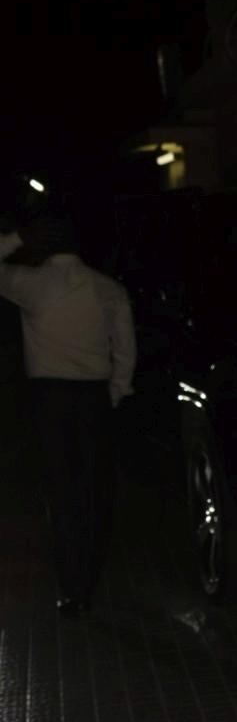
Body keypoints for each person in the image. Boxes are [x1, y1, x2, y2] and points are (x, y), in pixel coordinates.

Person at [0, 211, 136, 615]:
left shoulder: (31, 284)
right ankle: (88, 575)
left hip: (50, 398)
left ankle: (73, 586)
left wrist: (13, 239)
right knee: (93, 487)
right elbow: (124, 347)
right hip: (93, 396)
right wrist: (115, 390)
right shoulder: (106, 287)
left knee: (61, 491)